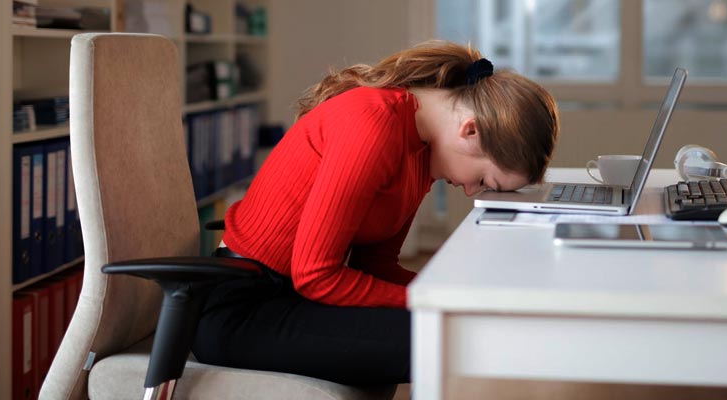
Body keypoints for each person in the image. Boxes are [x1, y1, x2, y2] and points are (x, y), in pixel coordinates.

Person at [191, 40, 560, 385]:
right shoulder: (374, 122)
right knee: (450, 340)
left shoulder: (421, 154)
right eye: (483, 180)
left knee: (459, 328)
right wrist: (435, 300)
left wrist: (453, 294)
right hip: (242, 310)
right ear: (471, 130)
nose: (469, 190)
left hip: (291, 298)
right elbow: (316, 275)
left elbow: (376, 266)